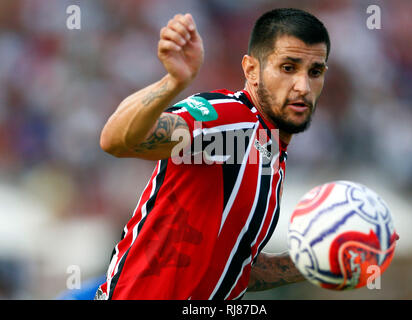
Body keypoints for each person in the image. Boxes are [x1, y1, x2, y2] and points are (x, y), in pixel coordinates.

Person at [97, 8, 330, 300]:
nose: (303, 86)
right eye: (288, 67)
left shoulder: (269, 153)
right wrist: (173, 82)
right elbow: (116, 140)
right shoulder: (232, 120)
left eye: (315, 71)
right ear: (251, 70)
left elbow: (233, 268)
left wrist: (323, 259)